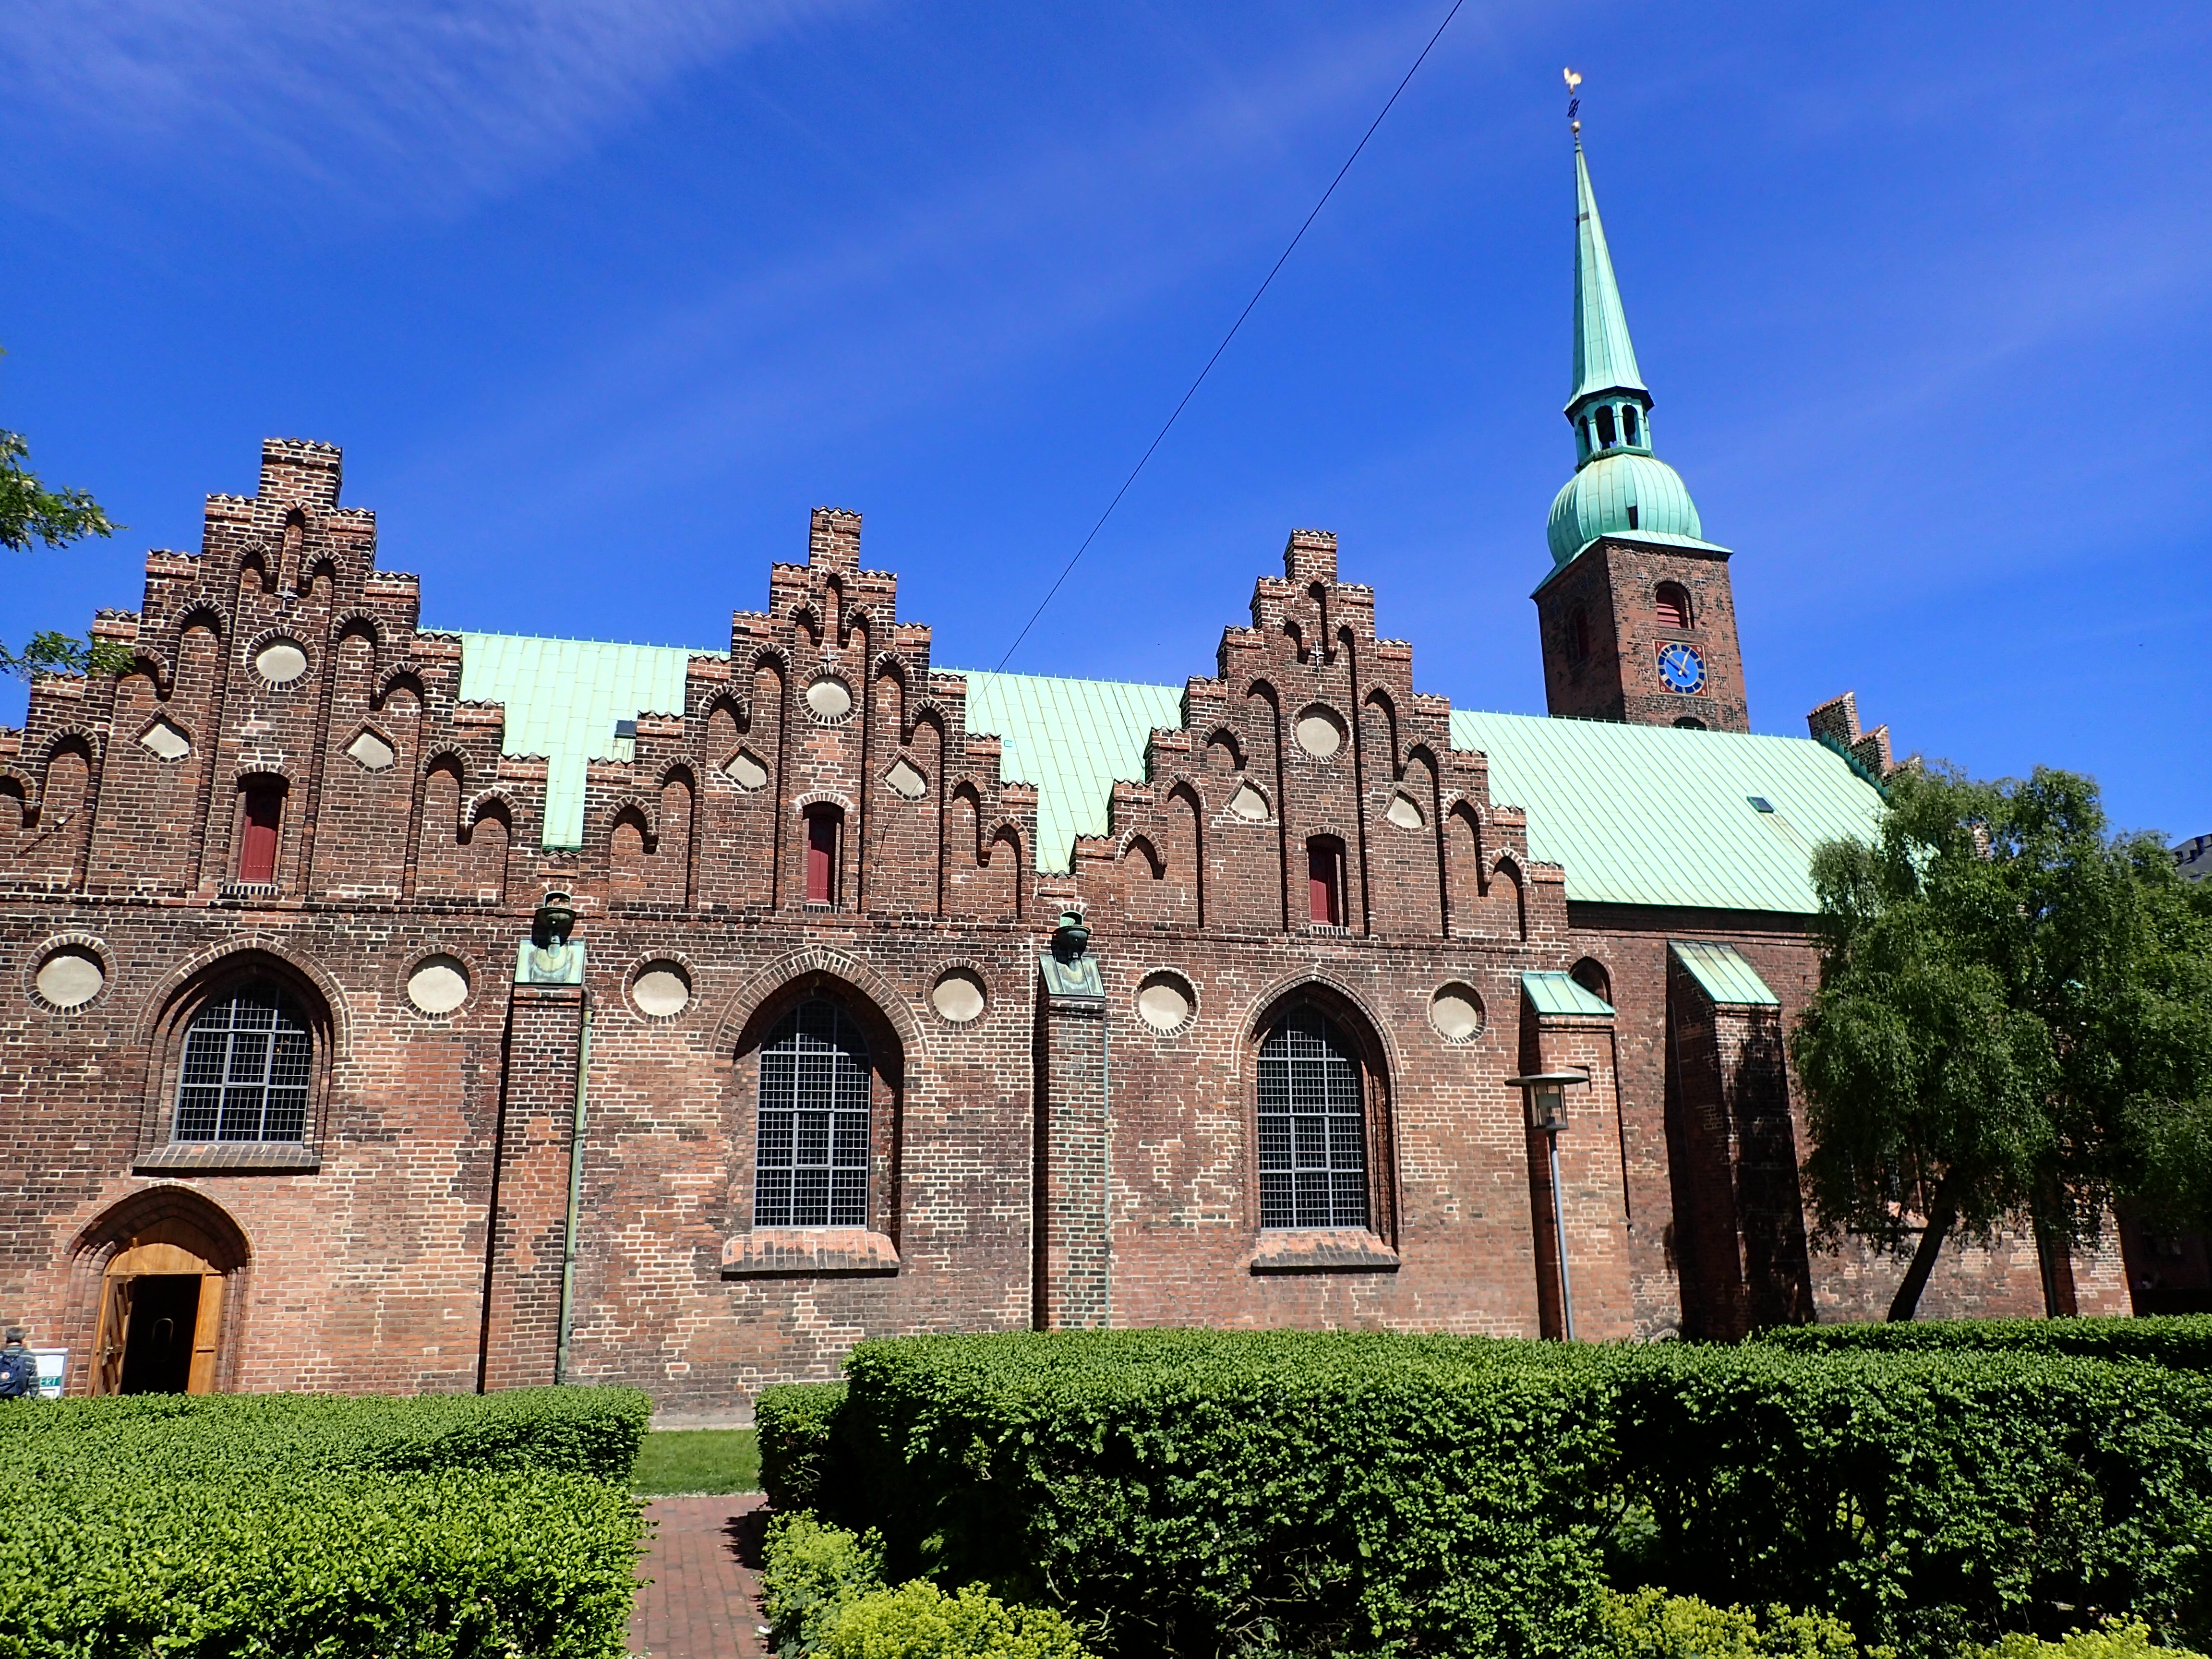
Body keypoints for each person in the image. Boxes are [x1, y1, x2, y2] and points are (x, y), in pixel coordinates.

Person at [0, 1329, 37, 1400]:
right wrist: (35, 1399)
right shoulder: (29, 1356)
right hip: (19, 1400)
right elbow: (34, 1382)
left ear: (6, 1339)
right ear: (23, 1339)